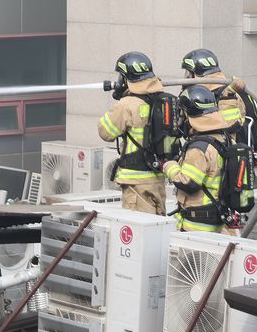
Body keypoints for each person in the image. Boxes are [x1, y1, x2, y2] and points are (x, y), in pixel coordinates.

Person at [98, 52, 172, 215]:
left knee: (140, 227)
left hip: (136, 181)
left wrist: (120, 99)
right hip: (158, 179)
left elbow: (105, 132)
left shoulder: (127, 105)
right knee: (157, 223)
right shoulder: (162, 100)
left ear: (126, 79)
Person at [164, 87, 231, 234]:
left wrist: (169, 166)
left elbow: (188, 183)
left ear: (189, 115)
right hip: (216, 218)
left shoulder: (198, 149)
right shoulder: (224, 138)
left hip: (197, 225)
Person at [181, 48, 253, 137]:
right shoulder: (230, 88)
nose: (187, 78)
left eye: (188, 73)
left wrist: (193, 131)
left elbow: (229, 126)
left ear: (195, 73)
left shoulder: (226, 95)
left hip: (228, 143)